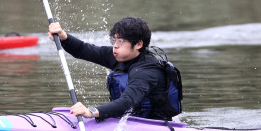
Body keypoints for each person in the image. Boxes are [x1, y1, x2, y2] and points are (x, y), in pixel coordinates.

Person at [48, 16, 182, 122]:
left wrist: (92, 112)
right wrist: (63, 37)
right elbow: (84, 50)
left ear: (139, 44)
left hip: (154, 125)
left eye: (120, 41)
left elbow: (128, 101)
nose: (115, 46)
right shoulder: (120, 57)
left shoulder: (147, 71)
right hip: (132, 121)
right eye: (114, 40)